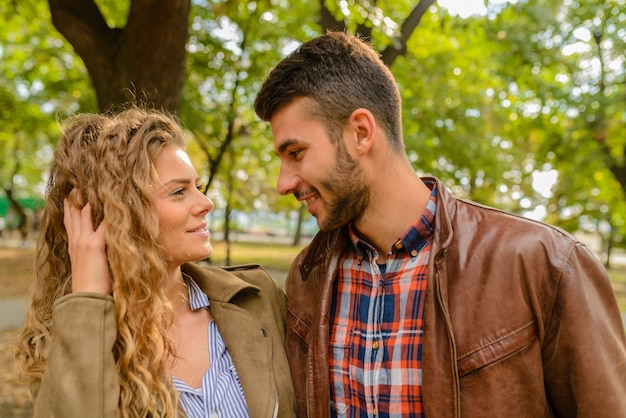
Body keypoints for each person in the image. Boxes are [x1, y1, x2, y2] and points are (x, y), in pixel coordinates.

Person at [253, 31, 626, 417]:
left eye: (296, 153)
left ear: (361, 133)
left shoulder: (544, 263)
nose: (283, 183)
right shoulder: (307, 276)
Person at [14, 107, 295, 417]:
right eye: (178, 192)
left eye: (197, 187)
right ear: (119, 214)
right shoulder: (65, 341)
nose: (206, 203)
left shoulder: (256, 298)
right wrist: (89, 296)